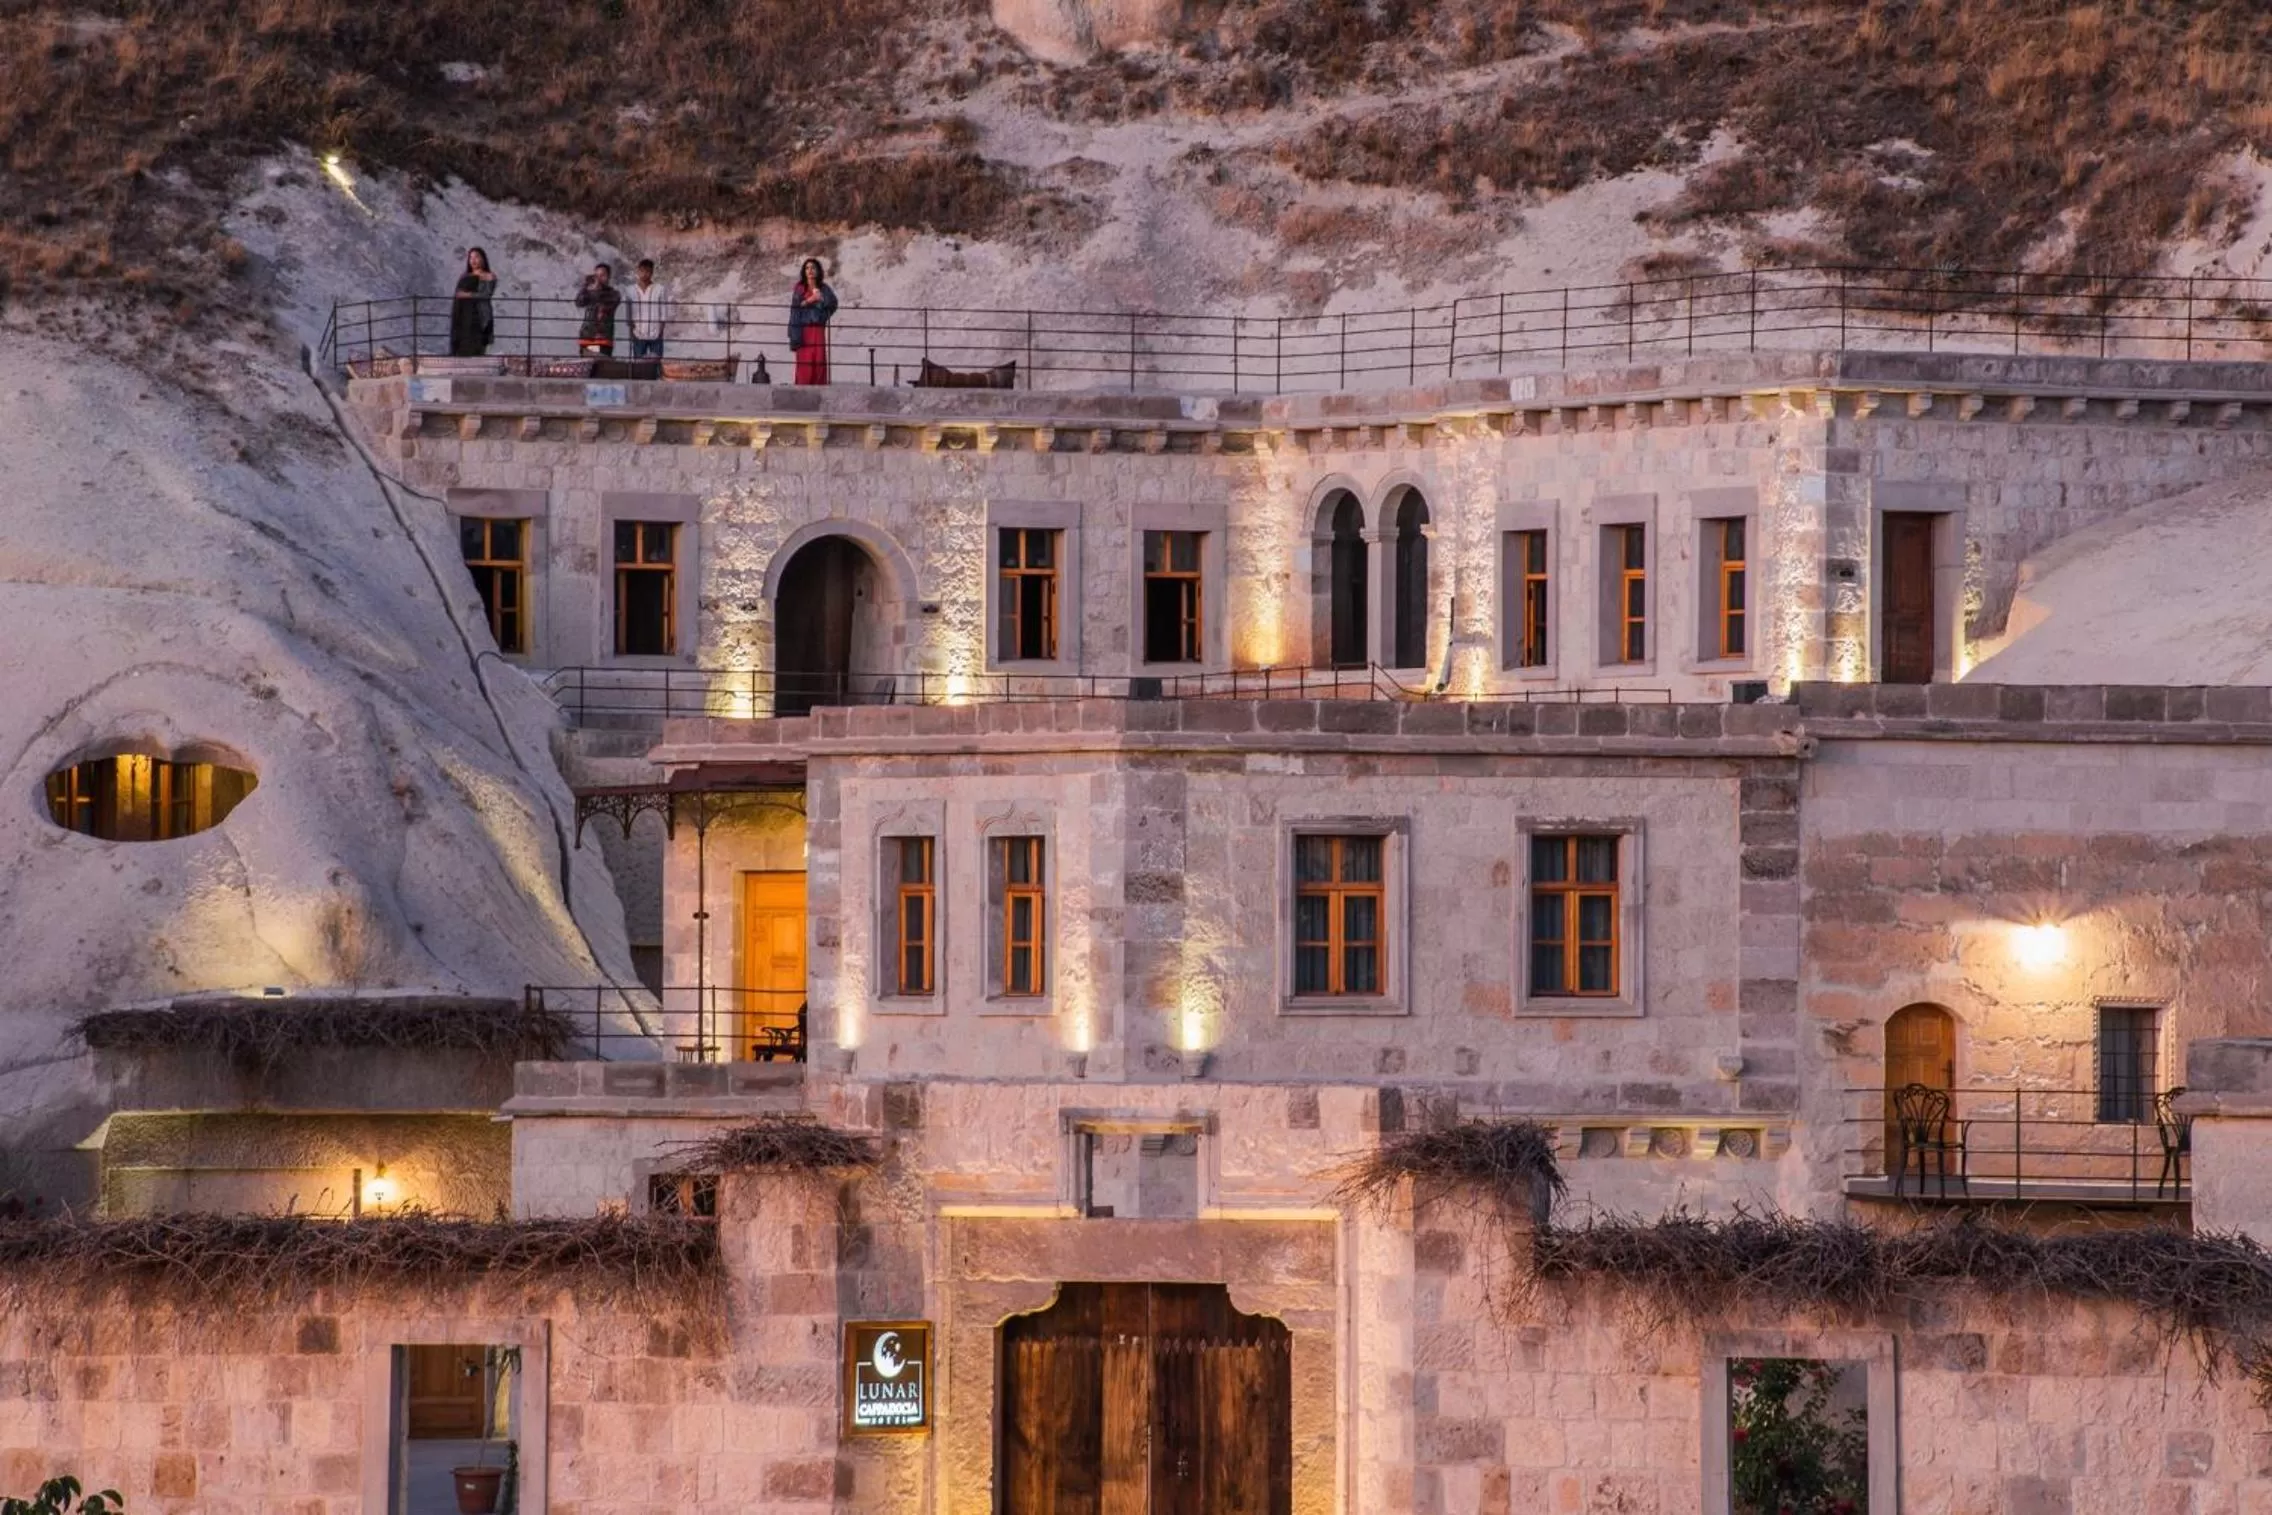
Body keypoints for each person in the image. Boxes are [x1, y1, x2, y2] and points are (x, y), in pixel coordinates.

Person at [788, 258, 837, 385]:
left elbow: (833, 303)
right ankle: (802, 390)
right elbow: (796, 307)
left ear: (818, 271)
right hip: (804, 329)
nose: (810, 271)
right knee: (805, 362)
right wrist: (811, 300)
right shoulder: (800, 288)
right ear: (804, 271)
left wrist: (823, 312)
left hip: (818, 328)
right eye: (807, 268)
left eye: (813, 268)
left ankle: (820, 389)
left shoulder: (824, 288)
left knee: (819, 359)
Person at [449, 247, 496, 357]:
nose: (473, 260)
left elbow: (486, 295)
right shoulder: (464, 276)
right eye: (471, 257)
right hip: (463, 315)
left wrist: (467, 295)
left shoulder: (489, 276)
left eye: (476, 257)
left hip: (480, 315)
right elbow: (457, 294)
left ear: (483, 259)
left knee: (477, 345)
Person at [625, 259, 667, 359]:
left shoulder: (659, 289)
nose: (645, 274)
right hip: (638, 334)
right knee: (639, 367)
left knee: (656, 365)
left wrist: (660, 332)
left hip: (655, 334)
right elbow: (628, 313)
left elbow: (663, 313)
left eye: (648, 271)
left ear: (652, 273)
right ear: (638, 271)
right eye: (642, 271)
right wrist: (632, 332)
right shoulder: (630, 290)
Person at [576, 263, 620, 357]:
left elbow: (607, 303)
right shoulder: (590, 291)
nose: (599, 279)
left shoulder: (614, 294)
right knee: (586, 368)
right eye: (597, 276)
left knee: (601, 367)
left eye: (602, 275)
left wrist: (596, 290)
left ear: (608, 277)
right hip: (586, 337)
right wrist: (585, 287)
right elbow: (579, 302)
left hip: (603, 340)